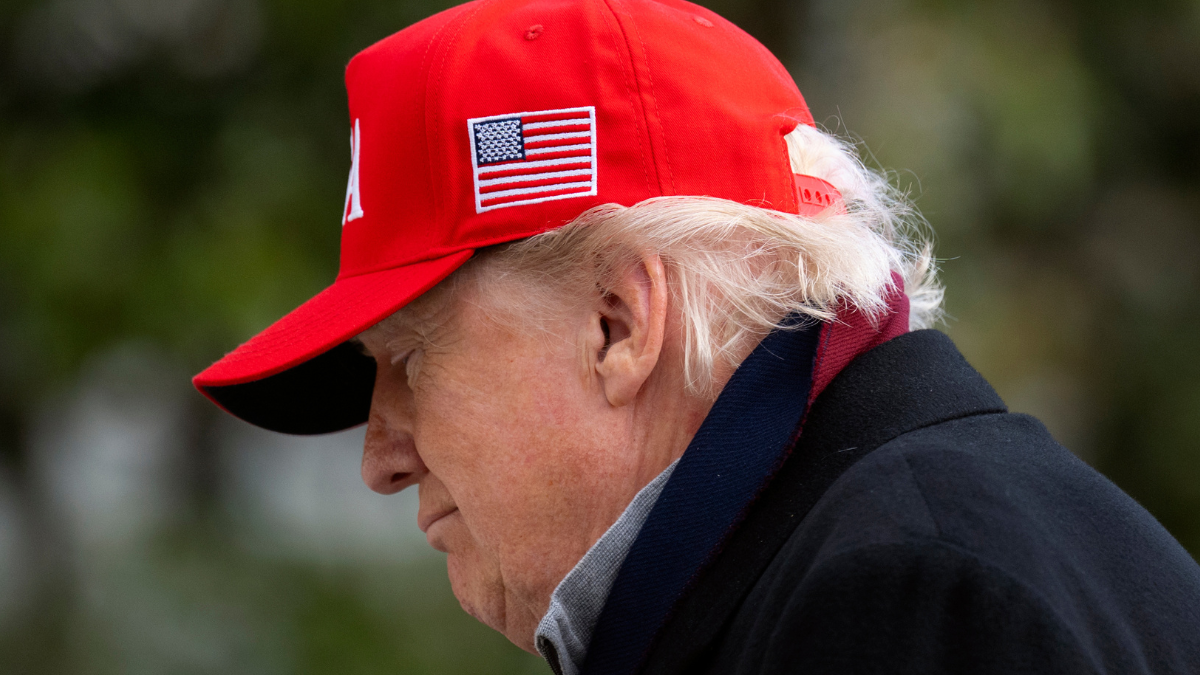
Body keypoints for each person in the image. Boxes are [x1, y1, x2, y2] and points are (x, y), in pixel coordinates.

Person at [193, 0, 1200, 673]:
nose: (378, 459)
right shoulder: (883, 547)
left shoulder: (898, 599)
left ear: (619, 323)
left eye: (411, 360)